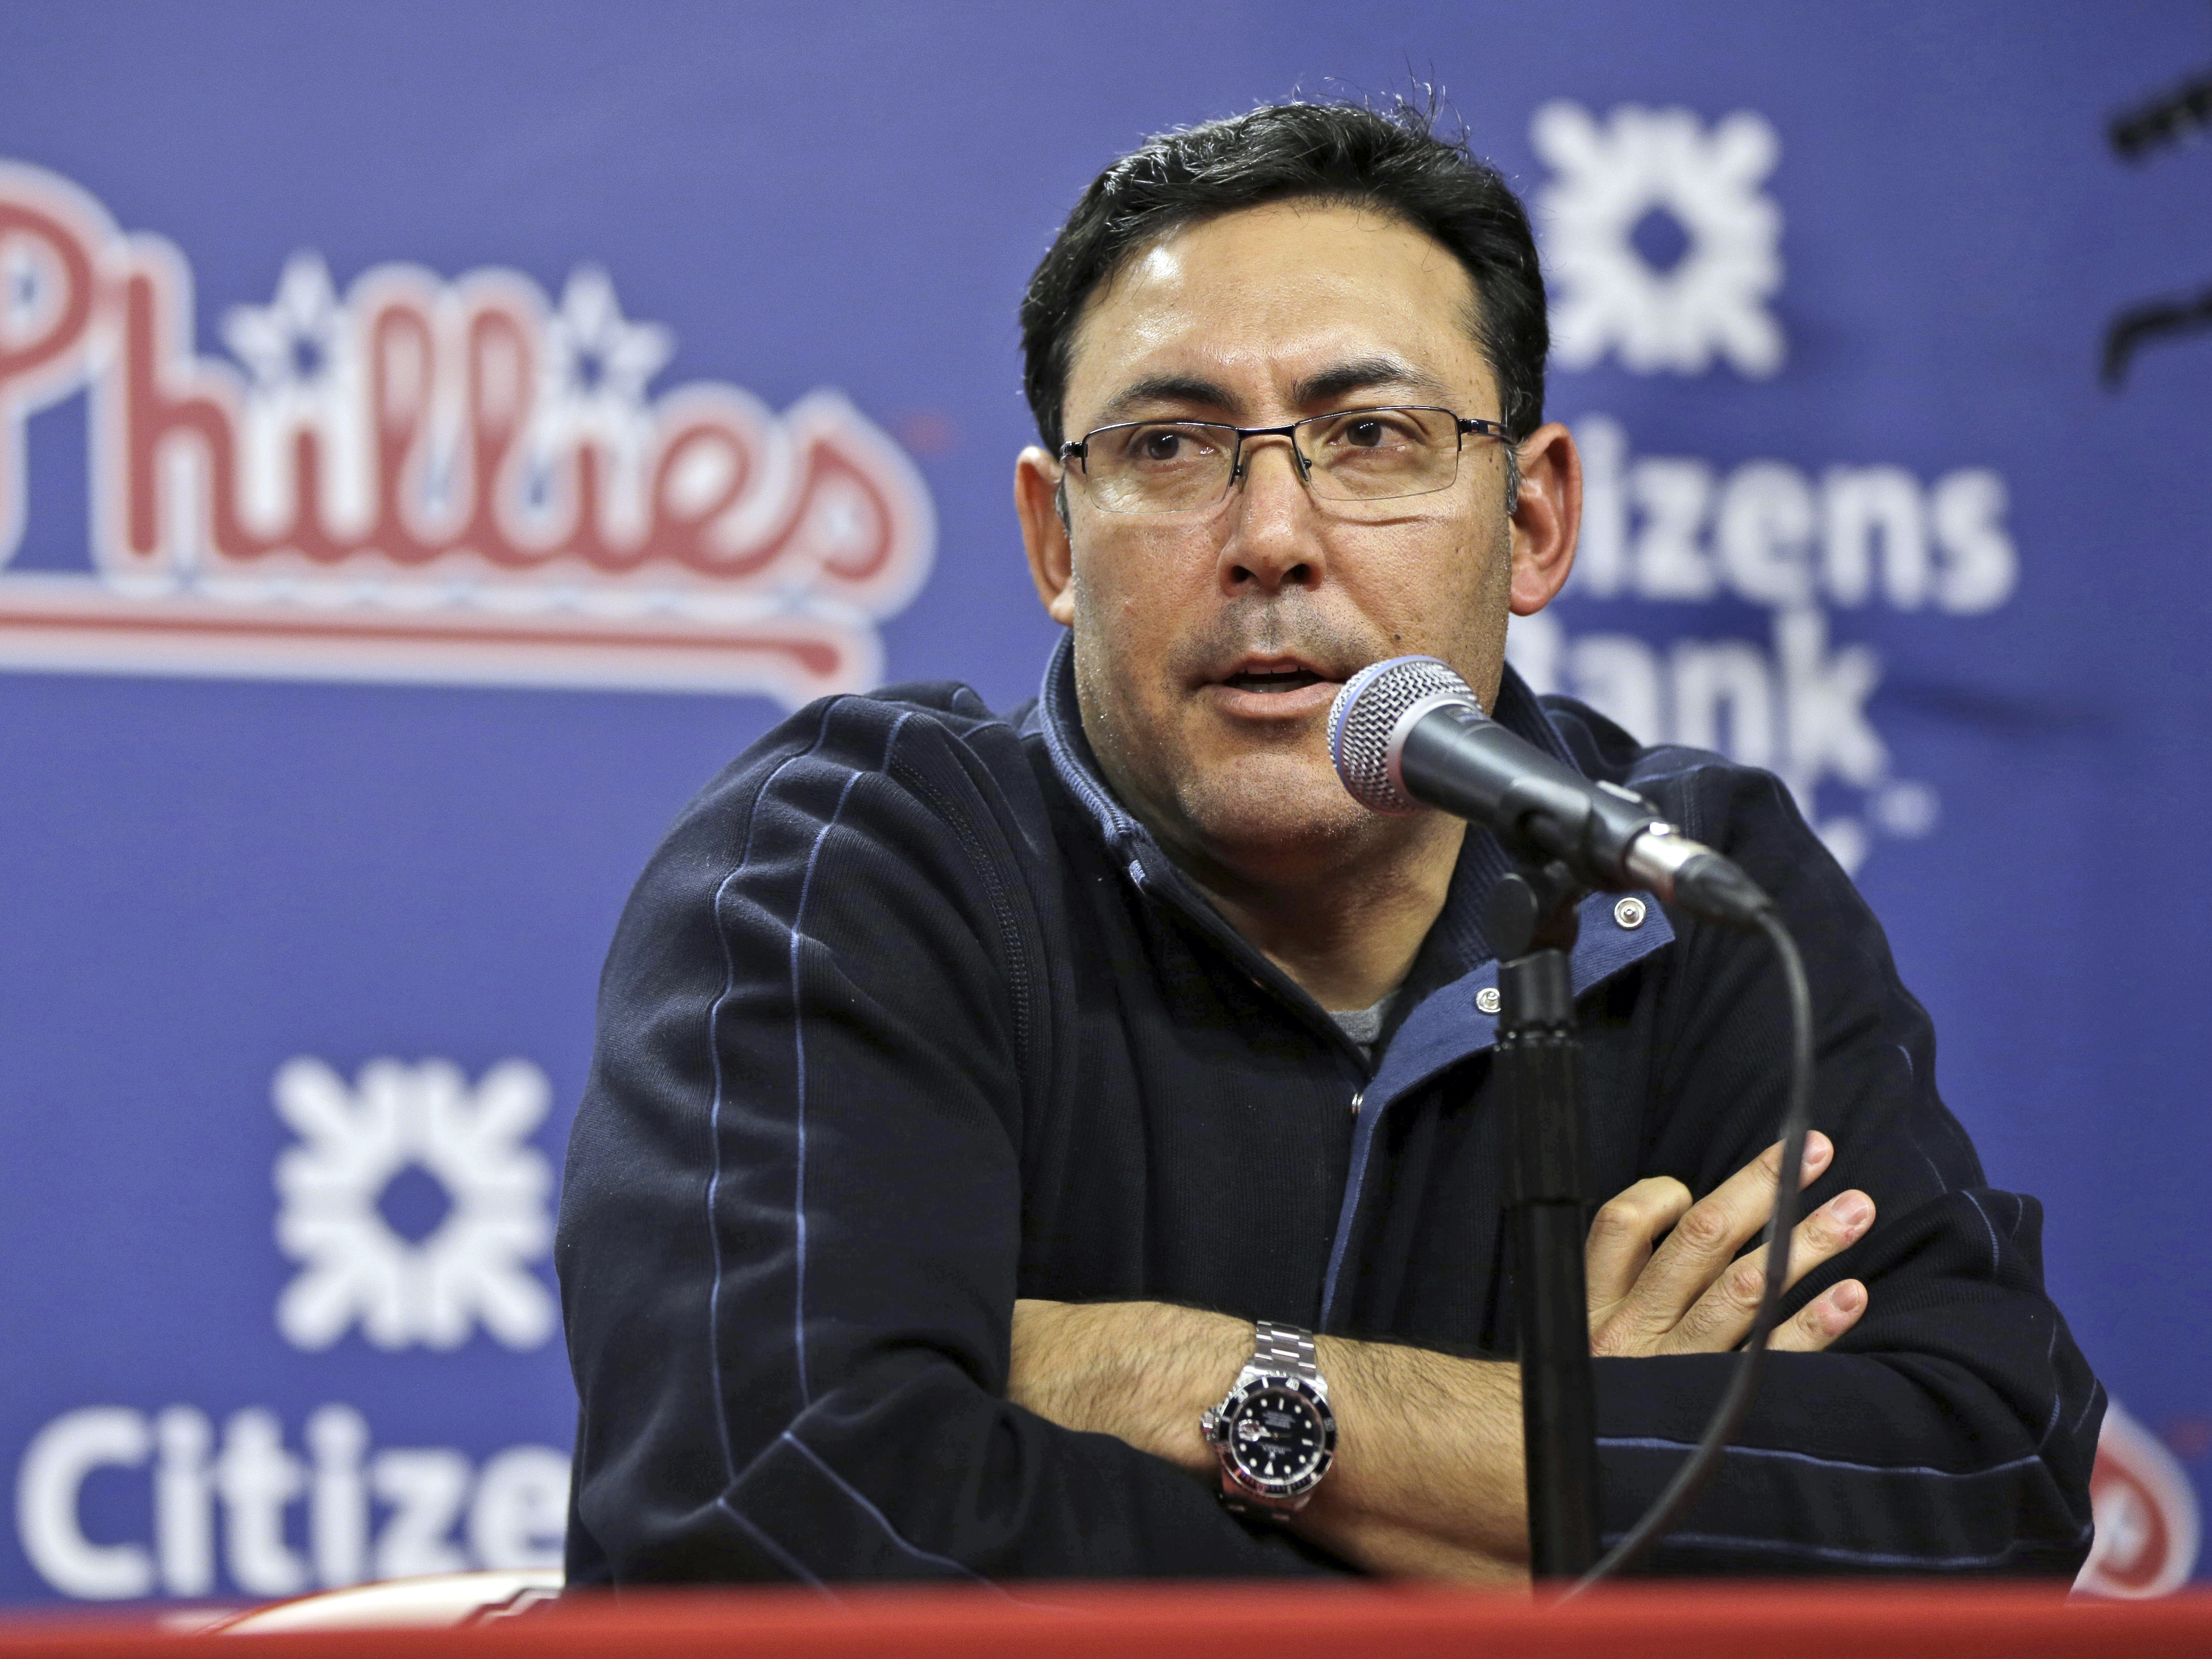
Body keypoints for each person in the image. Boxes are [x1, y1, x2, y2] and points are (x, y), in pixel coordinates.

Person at [553, 100, 2098, 1583]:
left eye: (1372, 436)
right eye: (1168, 447)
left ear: (1536, 518)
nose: (1273, 534)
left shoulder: (1677, 881)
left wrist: (1210, 1380)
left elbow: (1989, 1480)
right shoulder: (858, 862)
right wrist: (1561, 1510)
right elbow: (788, 1510)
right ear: (1053, 540)